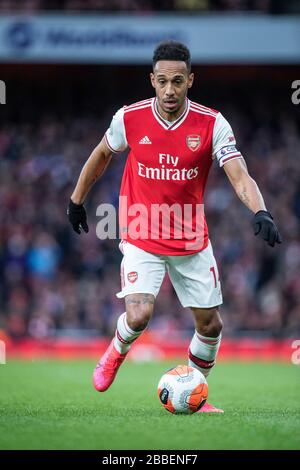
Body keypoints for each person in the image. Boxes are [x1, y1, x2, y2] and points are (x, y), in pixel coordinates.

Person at [67, 40, 281, 413]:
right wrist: (76, 200)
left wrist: (260, 211)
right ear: (152, 80)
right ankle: (116, 352)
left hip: (191, 238)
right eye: (163, 81)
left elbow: (239, 174)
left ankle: (195, 395)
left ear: (190, 80)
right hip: (141, 231)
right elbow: (101, 155)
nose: (170, 90)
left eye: (178, 81)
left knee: (211, 326)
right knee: (138, 315)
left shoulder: (212, 123)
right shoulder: (129, 118)